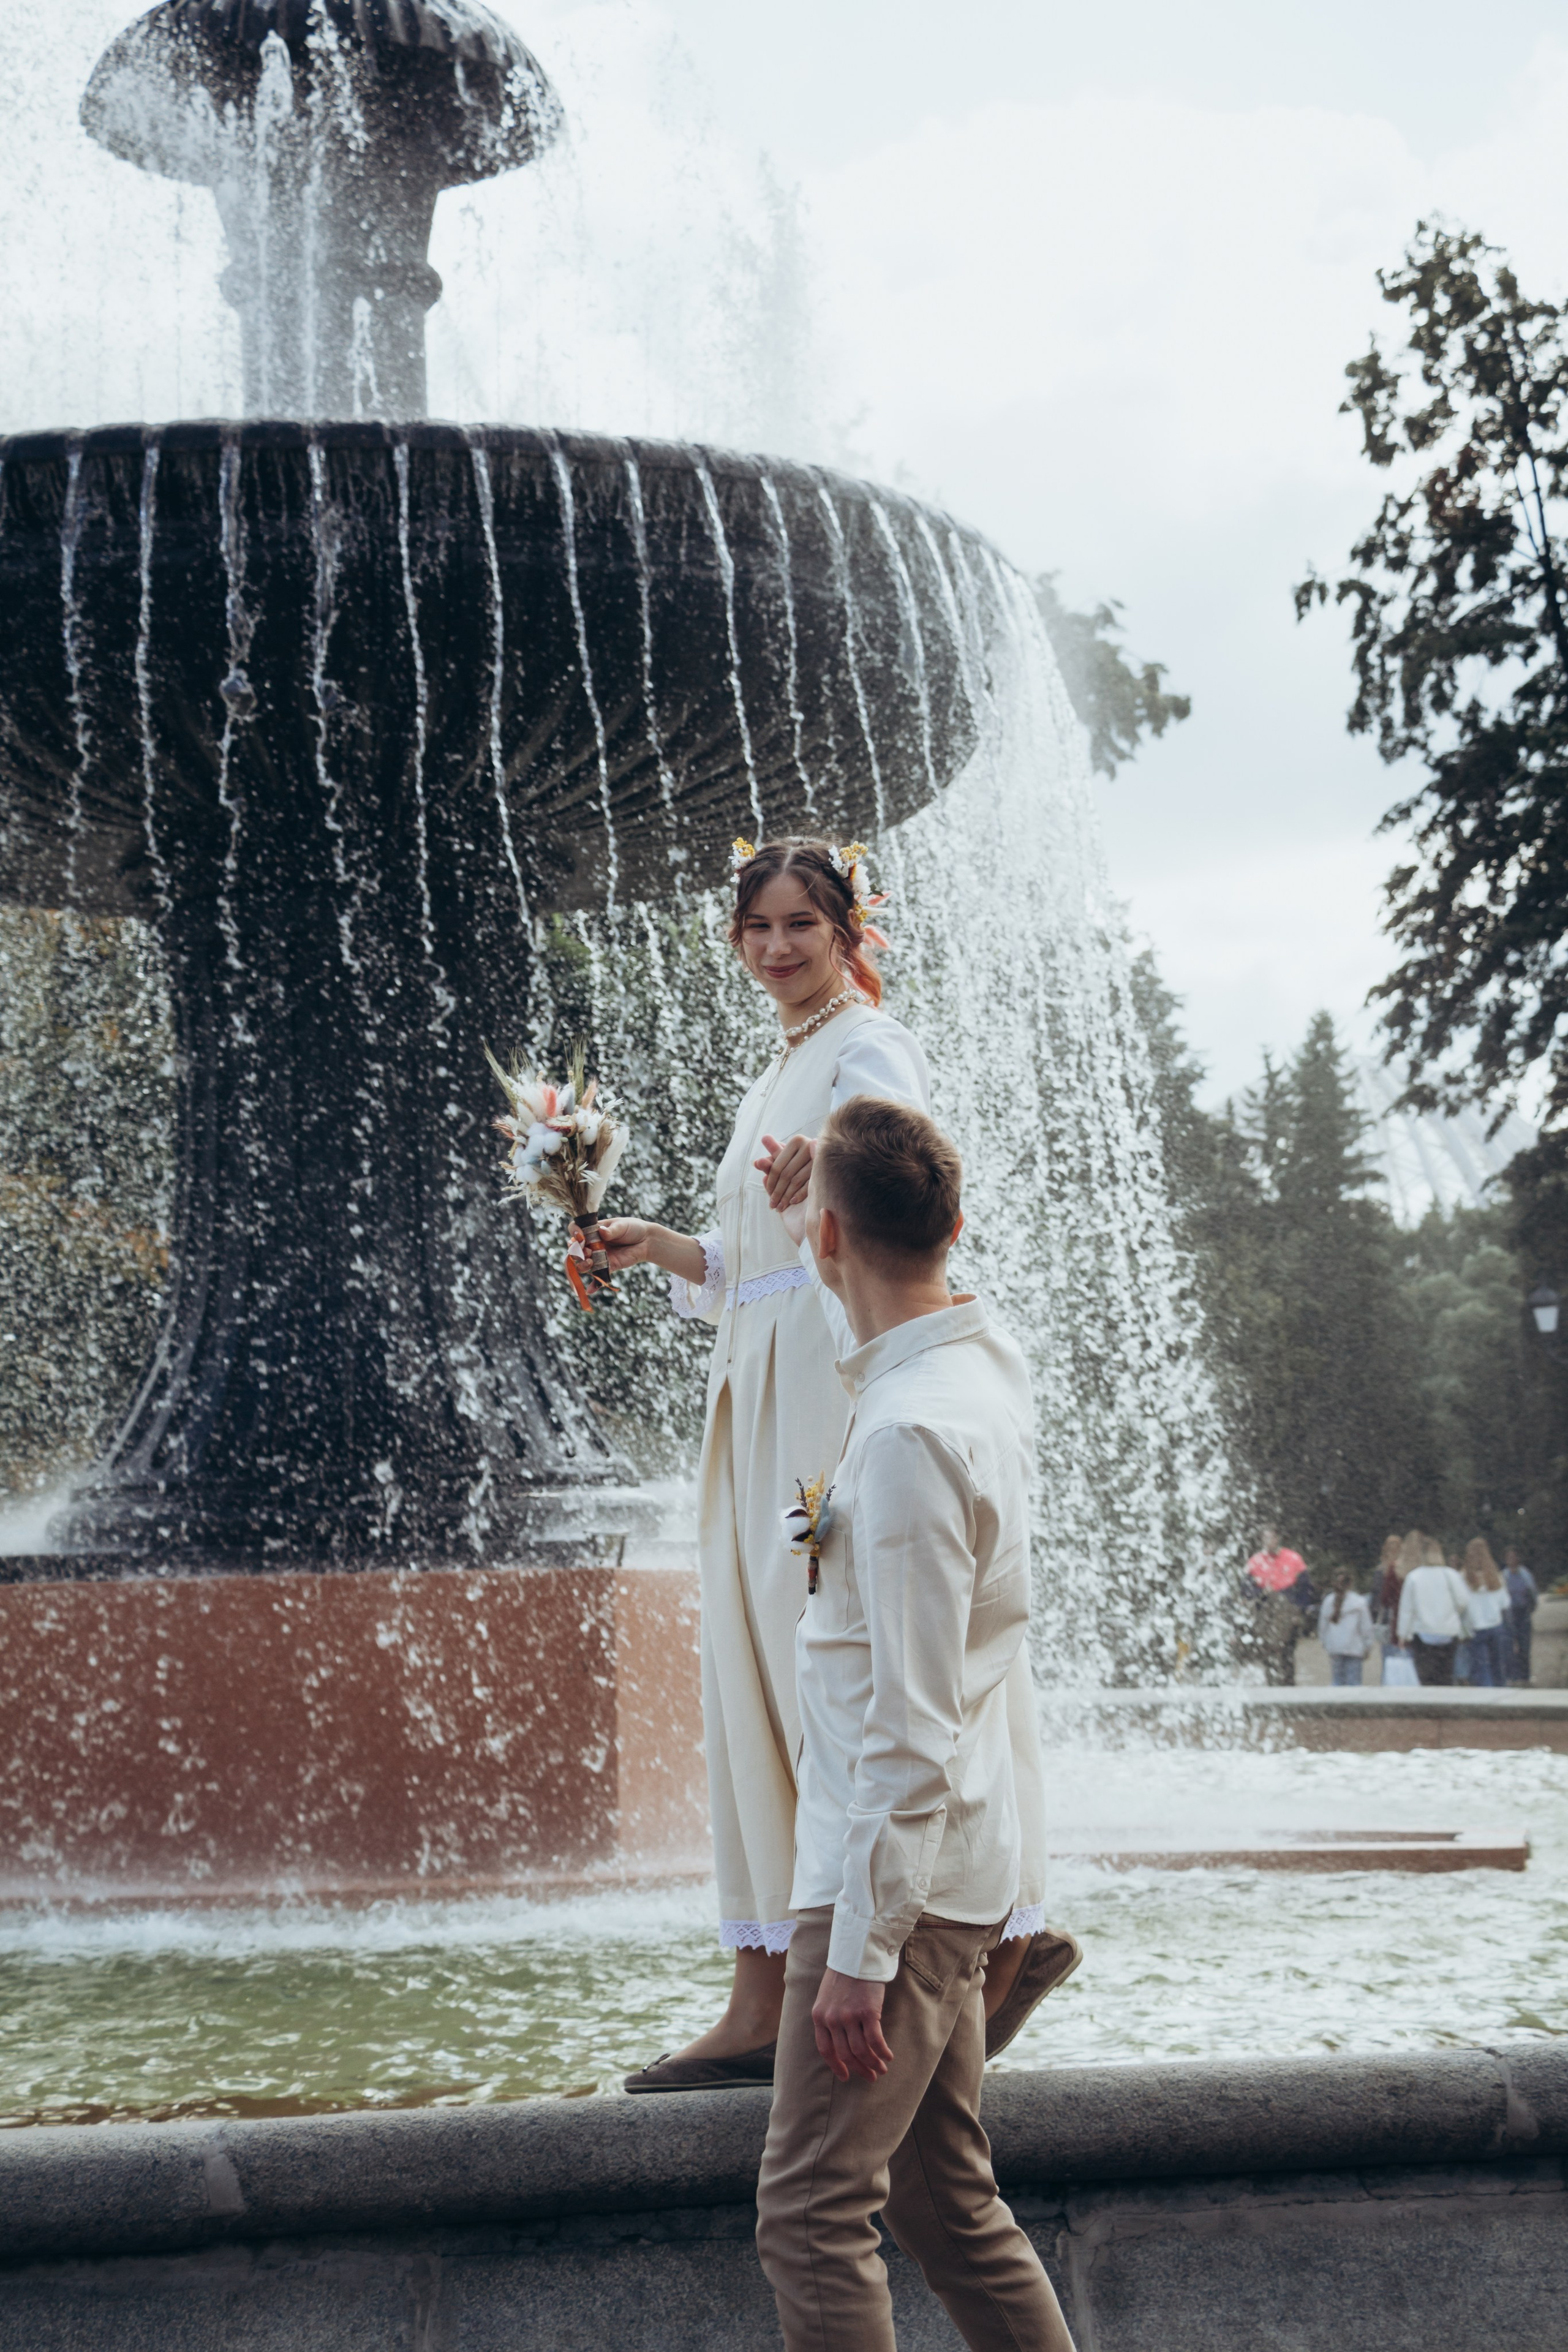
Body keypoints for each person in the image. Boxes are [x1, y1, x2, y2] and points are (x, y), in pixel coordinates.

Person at [596, 838, 1066, 2092]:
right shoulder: (789, 1064)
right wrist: (662, 1249)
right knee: (761, 1662)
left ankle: (929, 1950)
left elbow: (909, 1197)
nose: (776, 947)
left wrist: (817, 1198)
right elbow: (757, 1263)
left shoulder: (865, 1049)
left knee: (831, 1661)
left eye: (800, 922)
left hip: (819, 1397)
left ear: (847, 927)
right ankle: (788, 1976)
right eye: (756, 929)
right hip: (759, 1388)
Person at [753, 1096, 1077, 2352]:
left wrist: (857, 1953)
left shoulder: (901, 1439)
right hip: (956, 1864)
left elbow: (908, 1723)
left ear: (830, 1238)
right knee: (946, 2206)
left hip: (886, 1880)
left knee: (809, 2215)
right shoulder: (974, 1359)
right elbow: (892, 1257)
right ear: (948, 1225)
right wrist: (819, 1220)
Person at [1245, 1526, 1315, 1684]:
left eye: (1271, 1538)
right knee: (1267, 1648)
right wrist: (1258, 1595)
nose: (1268, 1542)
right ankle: (1271, 1681)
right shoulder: (1256, 1561)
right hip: (1266, 1608)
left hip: (1287, 1607)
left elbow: (1305, 1587)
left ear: (1278, 1539)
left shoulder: (1293, 1559)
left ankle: (1288, 1682)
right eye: (1265, 1539)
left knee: (1287, 1649)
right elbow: (1247, 1588)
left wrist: (1300, 1609)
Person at [1396, 1548, 1472, 1684]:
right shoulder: (1451, 1575)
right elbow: (1463, 1601)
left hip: (1423, 1632)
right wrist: (1452, 1614)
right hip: (1448, 1632)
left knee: (1425, 1677)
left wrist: (1403, 1634)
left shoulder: (1414, 1576)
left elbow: (1407, 1609)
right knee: (1445, 1675)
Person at [1461, 1540, 1508, 1688]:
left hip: (1475, 1627)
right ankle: (1502, 1694)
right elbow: (1505, 1603)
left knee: (1481, 1667)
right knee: (1498, 1666)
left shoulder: (1463, 1577)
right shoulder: (1496, 1576)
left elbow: (1461, 1603)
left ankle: (1486, 1697)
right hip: (1495, 1625)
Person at [1318, 1569, 1376, 1686]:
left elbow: (1322, 1626)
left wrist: (1325, 1642)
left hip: (1335, 1647)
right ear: (1351, 1583)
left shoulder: (1328, 1601)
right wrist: (1368, 1645)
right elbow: (1366, 1627)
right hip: (1354, 1647)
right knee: (1354, 1683)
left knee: (1337, 1681)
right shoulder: (1359, 1602)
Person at [1370, 1533, 1409, 1678]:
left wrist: (1373, 1616)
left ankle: (1389, 1684)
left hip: (1387, 1617)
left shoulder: (1381, 1570)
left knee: (1388, 1659)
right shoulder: (1406, 1570)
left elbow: (1377, 1597)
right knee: (1403, 1657)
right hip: (1401, 1616)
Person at [1503, 1548, 1540, 1686]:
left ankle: (1526, 1675)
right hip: (1510, 1614)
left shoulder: (1525, 1574)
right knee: (1509, 1647)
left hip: (1523, 1613)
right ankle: (1512, 1675)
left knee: (1525, 1645)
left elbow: (1533, 1592)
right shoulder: (1504, 1576)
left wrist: (1531, 1608)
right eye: (1508, 1557)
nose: (1511, 1560)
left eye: (1513, 1557)